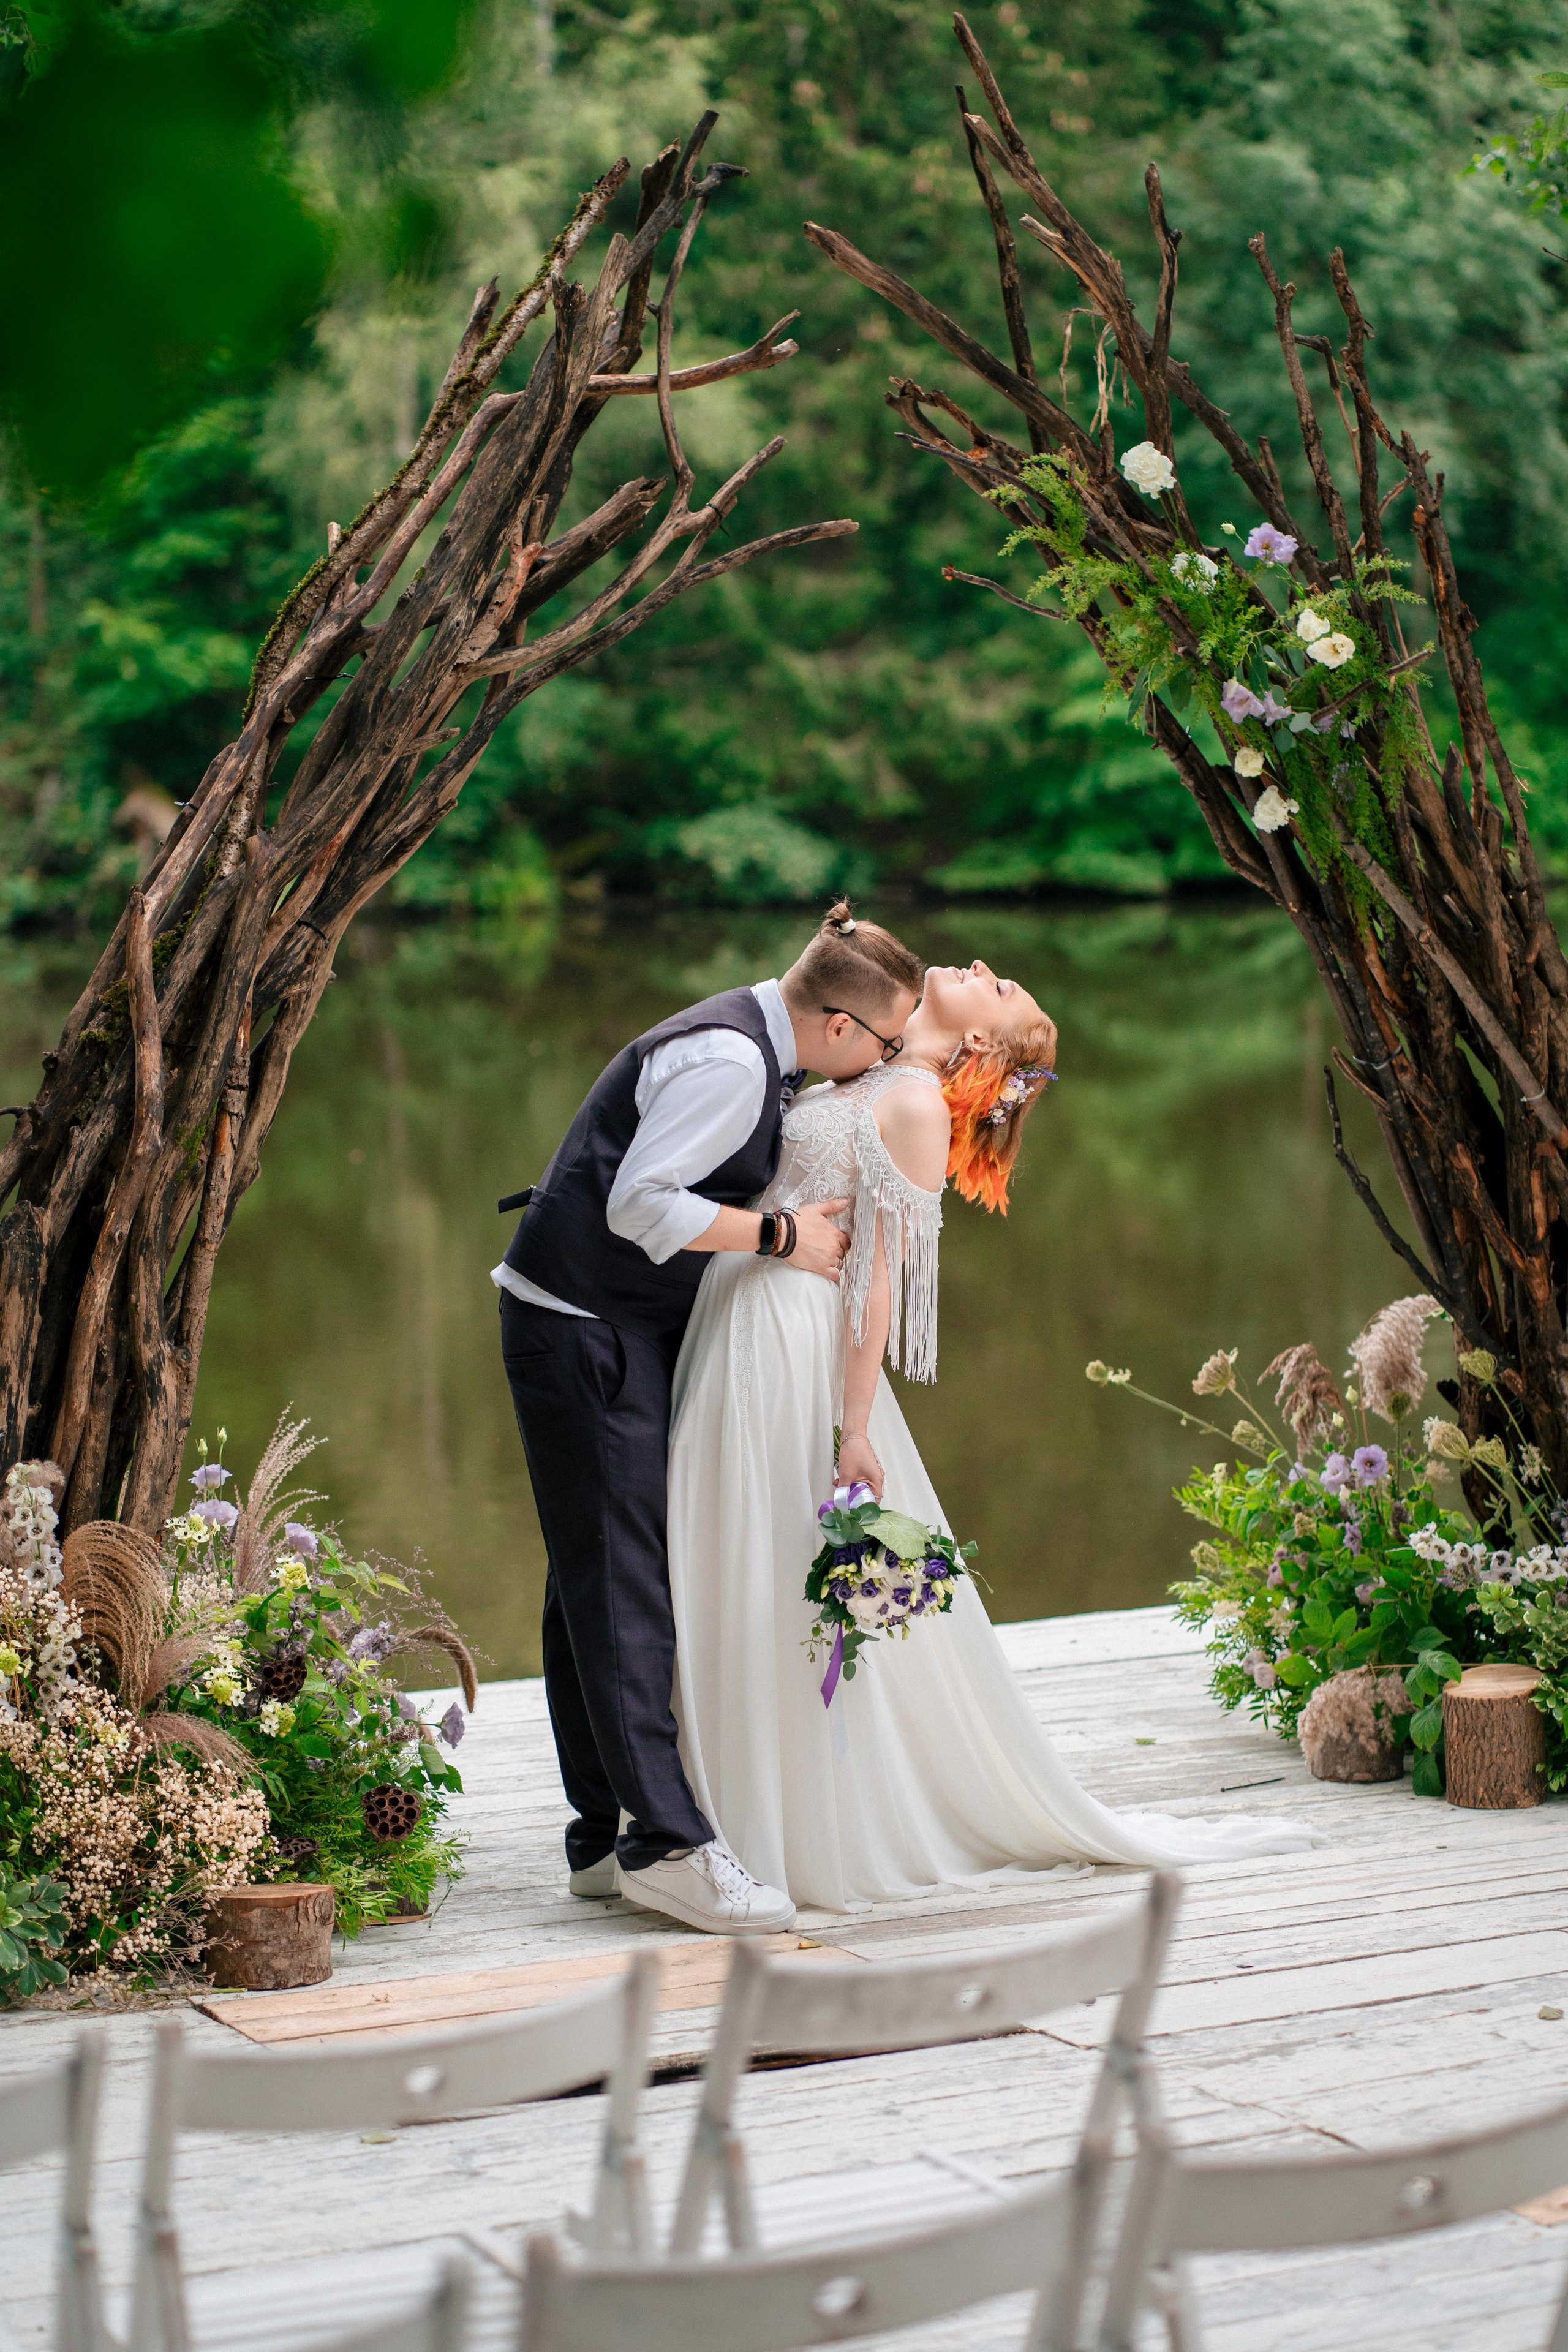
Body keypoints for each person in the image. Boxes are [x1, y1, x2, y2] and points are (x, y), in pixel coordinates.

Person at [666, 957, 1328, 1915]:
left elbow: (877, 1280)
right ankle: (698, 1812)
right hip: (736, 1311)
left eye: (1002, 985)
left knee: (774, 1560)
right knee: (725, 1551)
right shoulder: (863, 1066)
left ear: (980, 1039)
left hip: (788, 1338)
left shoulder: (913, 1107)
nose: (982, 967)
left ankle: (775, 1821)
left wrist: (854, 1428)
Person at [495, 902, 924, 1934]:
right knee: (623, 1582)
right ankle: (668, 1845)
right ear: (838, 1024)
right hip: (582, 1326)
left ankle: (602, 1838)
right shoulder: (733, 1063)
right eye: (885, 1041)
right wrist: (779, 1235)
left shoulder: (754, 1045)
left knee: (591, 1577)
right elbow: (638, 1205)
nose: (887, 1060)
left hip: (598, 1322)